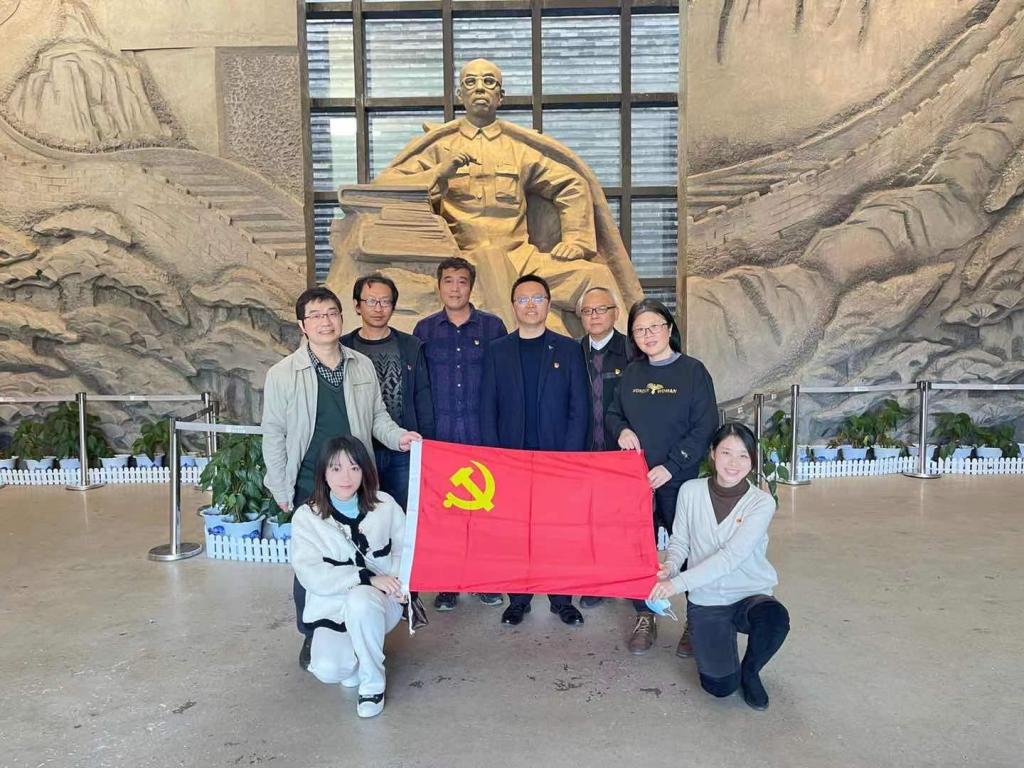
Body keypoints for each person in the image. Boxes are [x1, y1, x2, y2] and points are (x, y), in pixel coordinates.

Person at [375, 58, 635, 335]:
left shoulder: (518, 148)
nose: (479, 88)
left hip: (522, 259)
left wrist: (576, 240)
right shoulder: (440, 147)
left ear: (501, 96)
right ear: (460, 94)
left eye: (489, 82)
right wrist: (439, 172)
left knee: (595, 276)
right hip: (465, 260)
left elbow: (571, 183)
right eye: (470, 82)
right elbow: (385, 185)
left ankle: (624, 356)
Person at [262, 286, 420, 670]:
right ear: (302, 325)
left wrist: (399, 438)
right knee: (315, 560)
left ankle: (362, 622)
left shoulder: (360, 365)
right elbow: (274, 433)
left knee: (363, 549)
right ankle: (313, 631)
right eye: (315, 316)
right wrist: (279, 485)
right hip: (309, 481)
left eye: (331, 313)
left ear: (342, 316)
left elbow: (378, 417)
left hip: (355, 477)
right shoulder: (282, 374)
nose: (325, 322)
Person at [649, 423, 791, 711]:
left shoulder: (761, 503)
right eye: (726, 452)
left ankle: (751, 671)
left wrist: (676, 584)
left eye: (743, 455)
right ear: (712, 453)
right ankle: (722, 654)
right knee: (720, 687)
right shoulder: (690, 491)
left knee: (774, 618)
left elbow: (730, 558)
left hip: (750, 594)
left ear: (752, 460)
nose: (733, 463)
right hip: (707, 599)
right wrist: (670, 568)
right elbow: (680, 542)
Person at [606, 298, 718, 656]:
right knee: (639, 549)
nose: (648, 334)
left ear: (669, 328)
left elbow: (705, 426)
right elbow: (613, 413)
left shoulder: (693, 372)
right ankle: (645, 613)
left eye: (654, 326)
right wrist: (622, 429)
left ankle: (696, 620)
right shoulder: (632, 374)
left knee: (687, 552)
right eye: (639, 330)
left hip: (678, 479)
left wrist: (671, 466)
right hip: (636, 482)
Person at [480, 273, 590, 627]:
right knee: (516, 533)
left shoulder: (569, 349)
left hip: (556, 459)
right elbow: (488, 408)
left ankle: (561, 599)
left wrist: (569, 460)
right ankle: (519, 599)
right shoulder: (497, 350)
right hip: (511, 460)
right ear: (514, 306)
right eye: (523, 299)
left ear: (548, 304)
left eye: (537, 298)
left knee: (558, 532)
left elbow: (579, 408)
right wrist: (495, 459)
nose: (530, 305)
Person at [412, 256, 507, 612]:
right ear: (438, 286)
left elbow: (503, 384)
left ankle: (484, 581)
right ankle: (449, 584)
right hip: (441, 440)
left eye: (462, 281)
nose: (455, 288)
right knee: (445, 516)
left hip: (483, 438)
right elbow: (419, 385)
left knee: (484, 515)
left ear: (471, 286)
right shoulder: (424, 330)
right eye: (448, 281)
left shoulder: (492, 328)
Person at [291, 436, 406, 719]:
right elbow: (310, 573)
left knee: (361, 600)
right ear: (324, 472)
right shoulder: (307, 517)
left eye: (354, 468)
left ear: (365, 471)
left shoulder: (386, 505)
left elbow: (406, 549)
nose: (346, 477)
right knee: (329, 668)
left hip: (381, 603)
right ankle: (357, 657)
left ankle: (372, 683)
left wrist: (400, 582)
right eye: (336, 468)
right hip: (332, 608)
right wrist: (365, 577)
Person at [341, 273, 434, 510]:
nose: (378, 308)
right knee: (361, 512)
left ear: (393, 306)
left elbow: (423, 398)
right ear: (357, 305)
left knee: (403, 513)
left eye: (385, 301)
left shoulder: (411, 346)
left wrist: (426, 445)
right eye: (371, 301)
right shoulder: (343, 348)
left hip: (402, 449)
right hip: (358, 449)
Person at [575, 286, 634, 609]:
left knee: (624, 522)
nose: (594, 316)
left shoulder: (632, 351)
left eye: (601, 309)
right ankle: (596, 582)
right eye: (587, 311)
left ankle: (628, 580)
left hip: (621, 454)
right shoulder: (572, 353)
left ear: (615, 313)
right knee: (589, 522)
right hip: (583, 454)